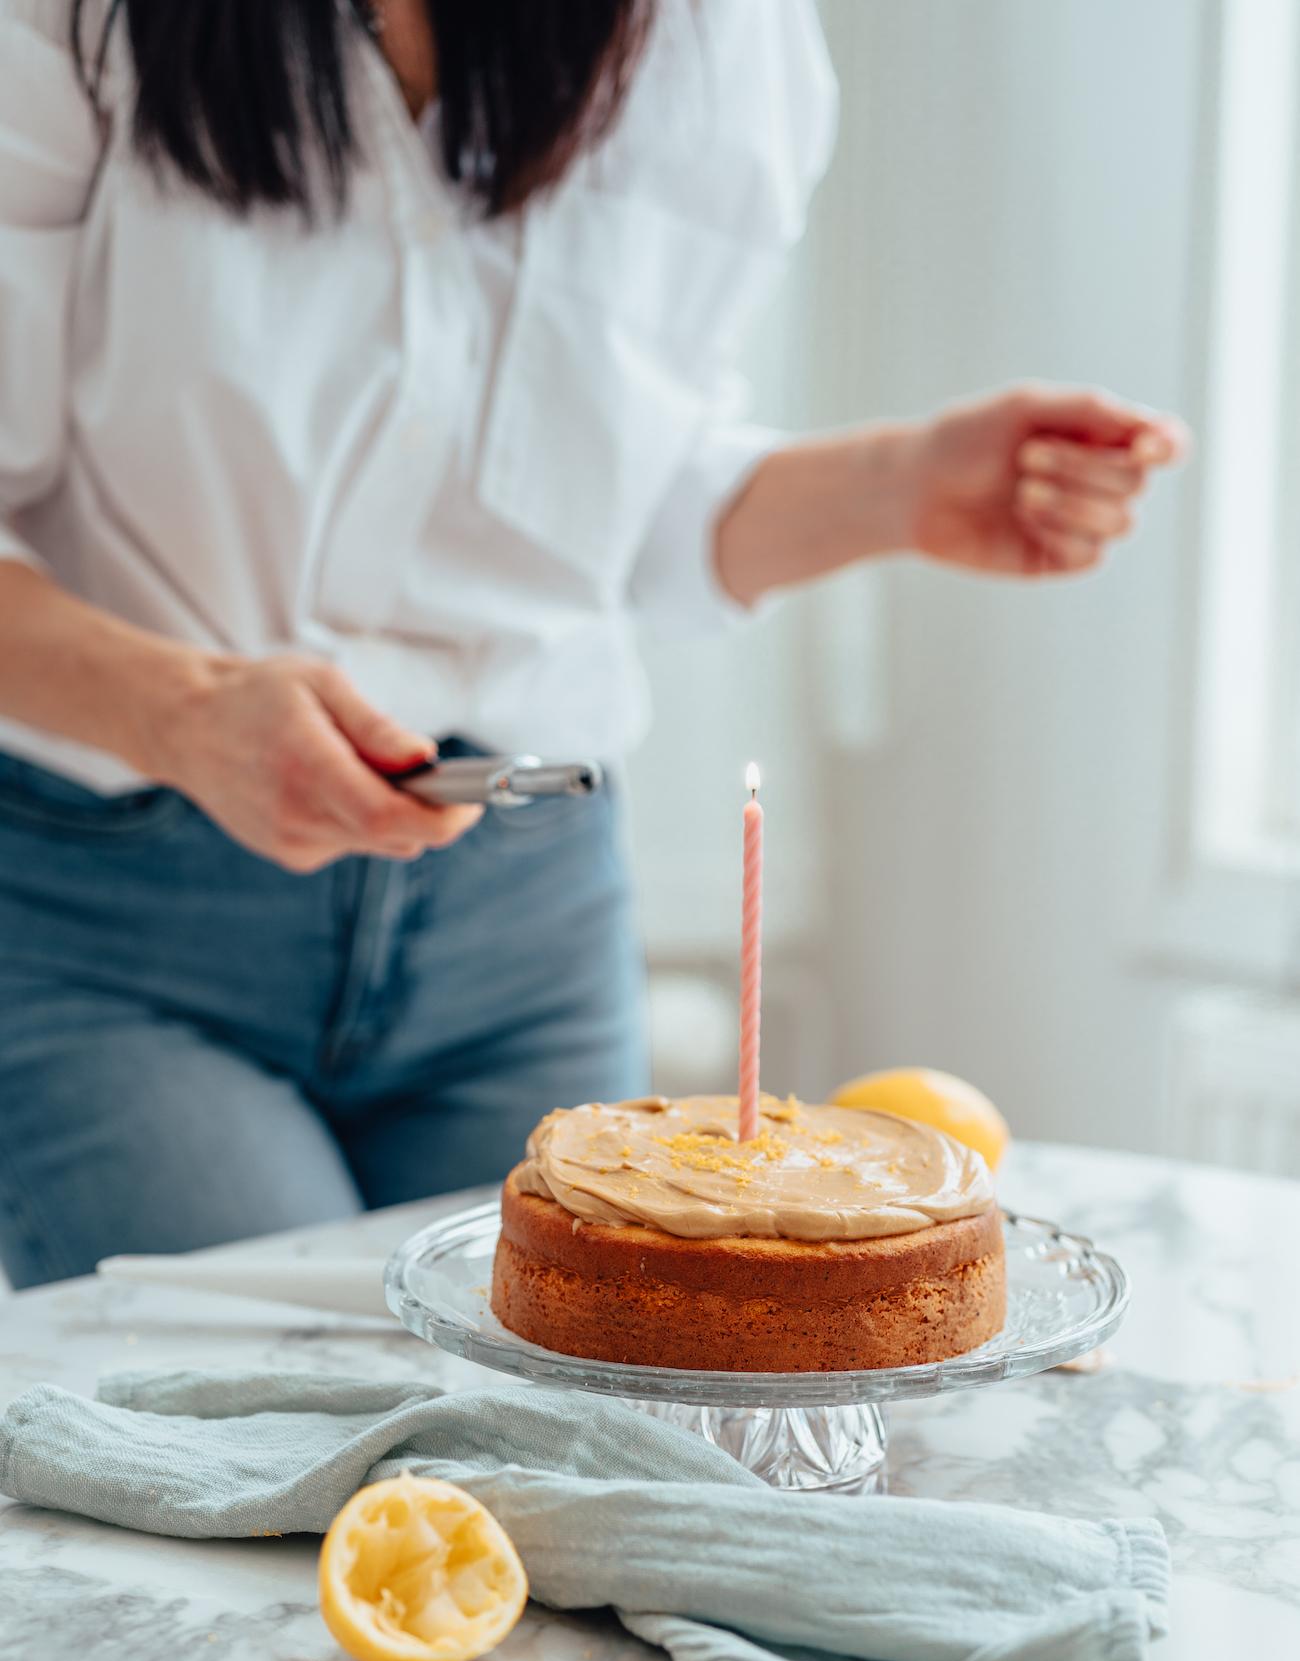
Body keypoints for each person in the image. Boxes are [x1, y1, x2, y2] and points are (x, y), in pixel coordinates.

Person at [0, 0, 1184, 1288]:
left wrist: (903, 485)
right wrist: (182, 707)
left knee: (575, 1444)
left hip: (522, 913)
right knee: (282, 1427)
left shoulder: (716, 38)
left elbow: (609, 506)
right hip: (117, 911)